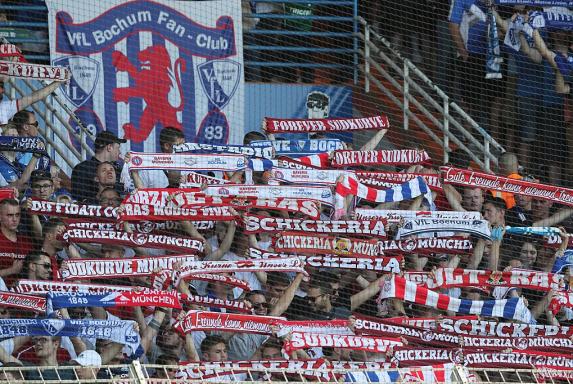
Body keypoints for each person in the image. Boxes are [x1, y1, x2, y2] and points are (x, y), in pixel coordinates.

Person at [71, 131, 125, 203]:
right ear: (109, 147)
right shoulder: (82, 169)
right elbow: (79, 198)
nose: (120, 152)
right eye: (118, 148)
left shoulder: (118, 170)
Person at [0, 198, 32, 286]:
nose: (14, 219)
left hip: (23, 293)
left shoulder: (27, 241)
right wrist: (12, 270)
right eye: (10, 215)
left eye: (17, 215)